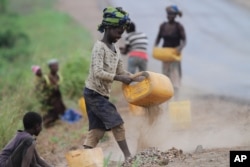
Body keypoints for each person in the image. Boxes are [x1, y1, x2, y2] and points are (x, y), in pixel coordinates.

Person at [83, 6, 133, 160]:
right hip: (93, 93)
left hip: (101, 95)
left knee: (97, 131)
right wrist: (120, 79)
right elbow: (98, 72)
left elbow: (121, 72)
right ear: (109, 28)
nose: (120, 36)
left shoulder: (115, 49)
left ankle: (82, 159)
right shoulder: (99, 48)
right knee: (117, 123)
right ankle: (128, 157)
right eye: (118, 33)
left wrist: (136, 77)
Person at [154, 5, 186, 97]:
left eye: (172, 14)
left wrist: (180, 48)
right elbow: (158, 38)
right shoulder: (163, 26)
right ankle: (167, 98)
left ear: (175, 15)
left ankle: (176, 99)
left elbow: (184, 40)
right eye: (168, 14)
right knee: (165, 77)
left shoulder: (179, 27)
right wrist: (155, 47)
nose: (170, 16)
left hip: (175, 55)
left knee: (175, 77)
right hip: (165, 55)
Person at [43, 59, 66, 128]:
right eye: (54, 66)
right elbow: (44, 90)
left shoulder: (58, 76)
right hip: (50, 99)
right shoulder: (47, 77)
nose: (56, 68)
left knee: (61, 110)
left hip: (58, 97)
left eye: (57, 66)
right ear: (50, 67)